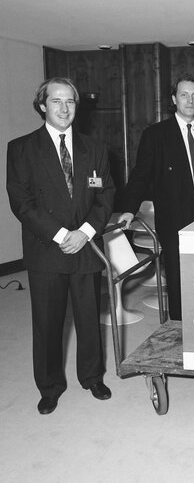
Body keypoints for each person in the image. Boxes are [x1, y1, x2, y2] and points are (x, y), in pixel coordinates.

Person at [6, 77, 115, 414]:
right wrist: (60, 235)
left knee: (88, 319)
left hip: (85, 246)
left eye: (70, 101)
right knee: (48, 322)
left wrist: (83, 231)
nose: (65, 108)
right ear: (43, 105)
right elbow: (22, 203)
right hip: (47, 249)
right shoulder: (21, 148)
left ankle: (92, 376)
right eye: (57, 101)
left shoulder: (94, 147)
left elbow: (105, 194)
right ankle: (50, 386)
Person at [120, 74, 194, 320]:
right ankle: (179, 329)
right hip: (174, 217)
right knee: (179, 278)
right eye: (184, 95)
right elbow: (140, 176)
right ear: (174, 99)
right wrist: (129, 208)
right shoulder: (156, 135)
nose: (189, 100)